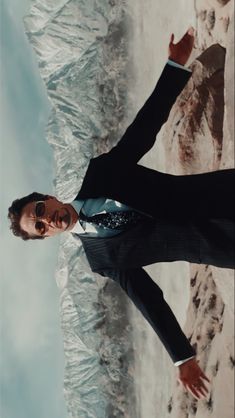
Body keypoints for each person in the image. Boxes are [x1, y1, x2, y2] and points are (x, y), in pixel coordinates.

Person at [8, 28, 235, 400]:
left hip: (219, 194)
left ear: (48, 197)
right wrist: (182, 358)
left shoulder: (101, 173)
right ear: (46, 236)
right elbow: (148, 299)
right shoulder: (103, 259)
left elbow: (143, 131)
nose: (46, 219)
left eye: (40, 211)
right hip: (221, 246)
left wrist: (174, 65)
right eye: (40, 227)